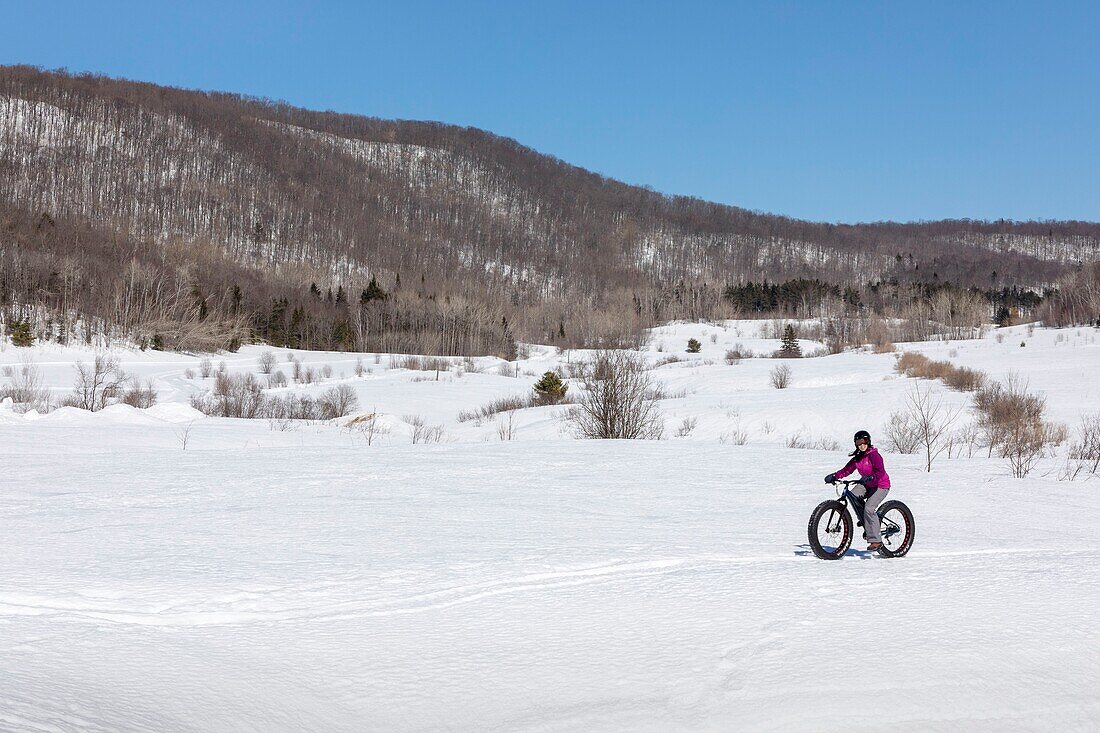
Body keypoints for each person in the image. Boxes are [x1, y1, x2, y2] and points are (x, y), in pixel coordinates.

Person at [824, 430, 892, 551]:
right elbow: (847, 470)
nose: (862, 445)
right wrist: (834, 476)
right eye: (859, 442)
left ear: (868, 441)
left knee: (869, 508)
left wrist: (872, 477)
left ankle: (876, 540)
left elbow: (880, 472)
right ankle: (866, 520)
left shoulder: (874, 455)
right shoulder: (857, 458)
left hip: (881, 484)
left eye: (864, 441)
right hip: (866, 483)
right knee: (853, 496)